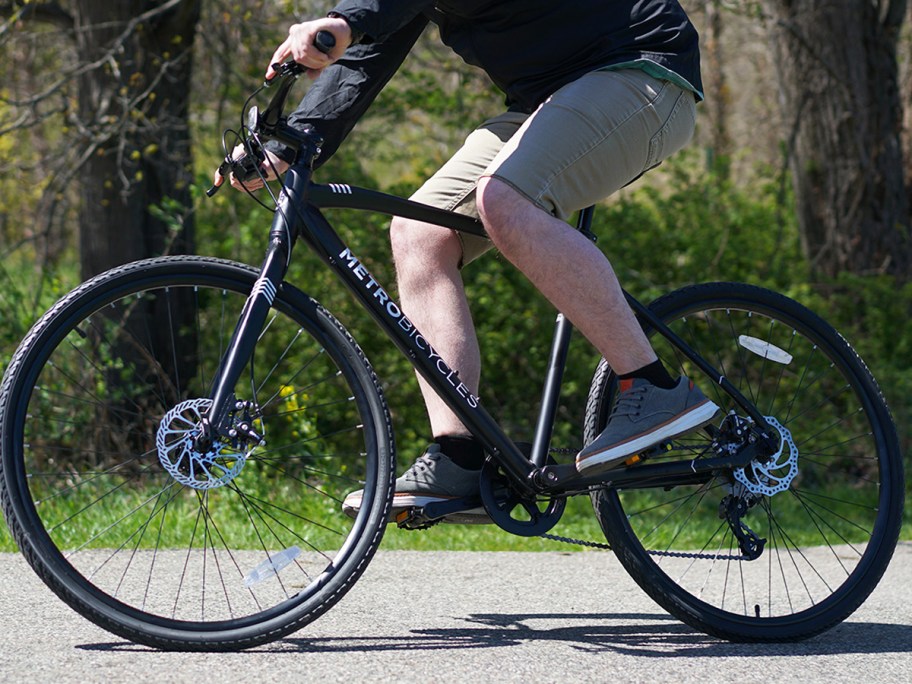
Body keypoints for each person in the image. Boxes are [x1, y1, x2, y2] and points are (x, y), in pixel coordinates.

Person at [216, 1, 720, 522]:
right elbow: (368, 51)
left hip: (639, 69)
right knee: (419, 233)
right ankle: (460, 458)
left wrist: (345, 19)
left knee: (503, 198)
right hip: (545, 99)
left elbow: (368, 17)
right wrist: (293, 139)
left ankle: (653, 387)